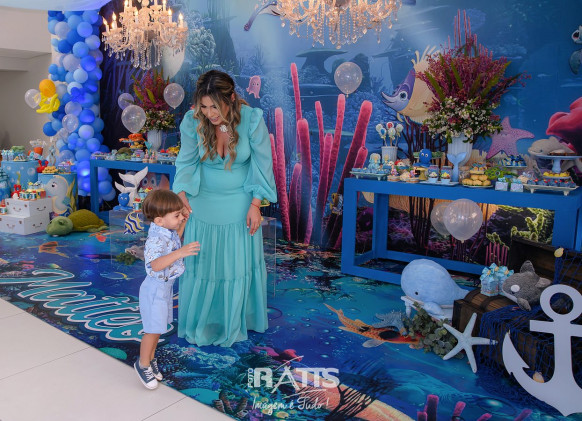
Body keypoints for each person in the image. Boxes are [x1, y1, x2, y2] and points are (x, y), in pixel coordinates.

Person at [173, 70, 277, 347]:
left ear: (231, 98)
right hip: (202, 203)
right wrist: (181, 194)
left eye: (215, 107)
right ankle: (204, 320)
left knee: (235, 267)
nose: (209, 113)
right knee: (204, 265)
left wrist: (256, 204)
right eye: (204, 106)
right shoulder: (193, 120)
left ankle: (236, 319)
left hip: (240, 204)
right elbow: (186, 161)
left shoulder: (251, 119)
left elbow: (262, 164)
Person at [135, 189, 200, 389]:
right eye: (177, 216)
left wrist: (184, 223)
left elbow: (174, 241)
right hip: (155, 291)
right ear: (159, 220)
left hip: (164, 289)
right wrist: (181, 252)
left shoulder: (165, 231)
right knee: (152, 331)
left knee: (158, 329)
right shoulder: (155, 239)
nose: (180, 218)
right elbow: (155, 265)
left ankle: (151, 360)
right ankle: (142, 364)